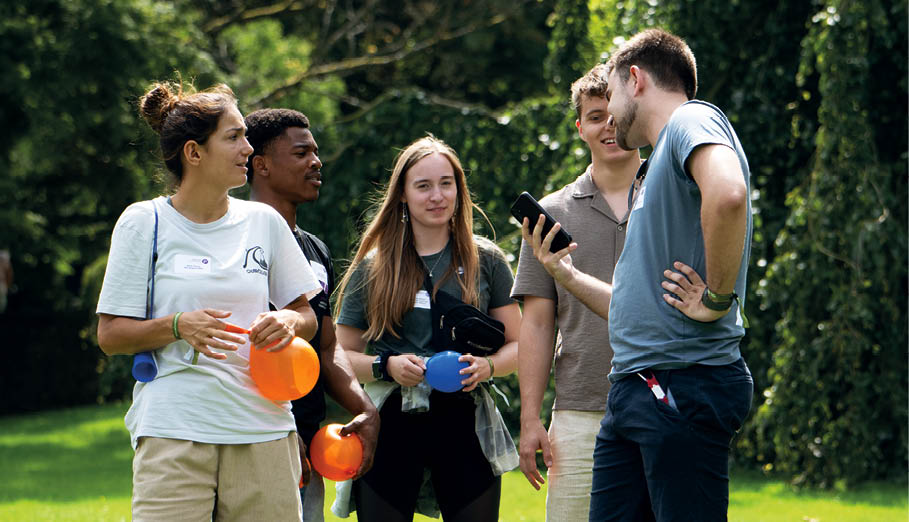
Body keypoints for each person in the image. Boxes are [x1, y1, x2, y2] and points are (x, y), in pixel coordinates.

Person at [525, 29, 753, 521]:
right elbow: (635, 303)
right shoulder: (652, 171)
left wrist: (717, 296)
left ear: (635, 79)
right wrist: (565, 275)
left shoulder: (691, 119)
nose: (609, 112)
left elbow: (730, 194)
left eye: (610, 94)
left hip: (680, 381)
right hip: (634, 386)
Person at [96, 81, 322, 521]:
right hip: (173, 432)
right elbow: (110, 335)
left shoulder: (265, 222)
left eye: (246, 135)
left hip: (264, 428)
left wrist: (289, 325)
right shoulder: (144, 222)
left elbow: (306, 316)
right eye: (234, 136)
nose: (247, 148)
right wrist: (178, 325)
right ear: (194, 153)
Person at [332, 135, 521, 521]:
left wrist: (488, 367)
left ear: (459, 189)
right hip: (390, 426)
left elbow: (520, 345)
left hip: (467, 425)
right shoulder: (374, 266)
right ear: (402, 194)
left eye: (446, 183)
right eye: (423, 186)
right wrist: (387, 367)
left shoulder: (487, 259)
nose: (437, 195)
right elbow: (338, 356)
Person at [512, 63, 642, 521]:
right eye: (594, 116)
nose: (607, 127)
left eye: (615, 114)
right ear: (579, 128)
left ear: (635, 116)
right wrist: (530, 418)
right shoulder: (551, 212)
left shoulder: (672, 197)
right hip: (579, 411)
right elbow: (538, 323)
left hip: (664, 399)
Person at [245, 108, 380, 521]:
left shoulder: (315, 251)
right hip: (246, 441)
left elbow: (325, 345)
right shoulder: (231, 238)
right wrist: (279, 432)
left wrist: (365, 408)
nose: (316, 162)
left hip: (307, 450)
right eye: (301, 153)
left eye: (316, 152)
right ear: (261, 164)